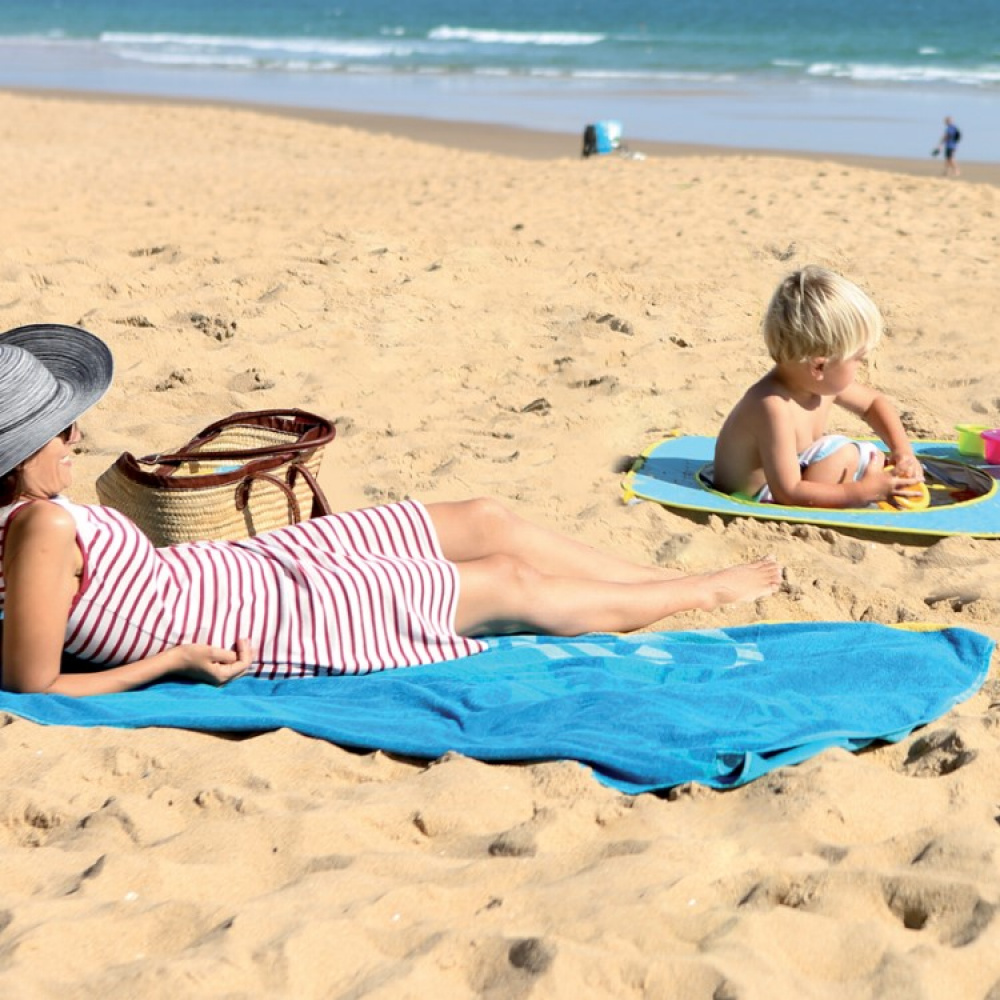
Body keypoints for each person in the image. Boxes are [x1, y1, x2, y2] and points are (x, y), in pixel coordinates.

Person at [0, 324, 781, 697]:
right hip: (272, 615)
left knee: (486, 517)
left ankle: (647, 583)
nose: (78, 434)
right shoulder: (41, 524)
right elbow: (34, 684)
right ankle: (692, 594)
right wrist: (172, 662)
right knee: (505, 579)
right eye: (61, 427)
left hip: (250, 568)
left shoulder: (35, 511)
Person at [713, 266, 924, 509]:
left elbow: (874, 403)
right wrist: (862, 491)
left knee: (868, 454)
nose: (861, 366)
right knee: (844, 454)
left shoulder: (819, 383)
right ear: (819, 366)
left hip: (792, 478)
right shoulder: (773, 406)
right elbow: (789, 492)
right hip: (760, 496)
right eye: (858, 359)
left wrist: (903, 451)